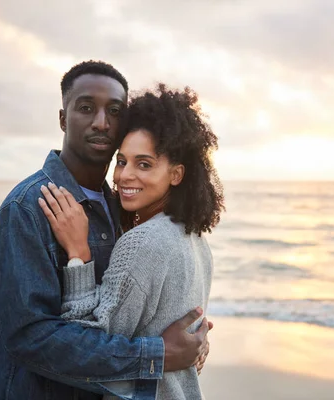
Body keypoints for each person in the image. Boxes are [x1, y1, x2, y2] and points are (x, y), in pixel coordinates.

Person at [0, 61, 211, 400]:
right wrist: (159, 356)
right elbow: (30, 337)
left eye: (115, 111)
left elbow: (135, 317)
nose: (102, 122)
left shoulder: (121, 208)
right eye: (86, 108)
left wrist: (191, 343)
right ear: (63, 118)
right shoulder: (29, 207)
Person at [38, 83, 224, 399]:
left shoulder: (142, 244)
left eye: (144, 164)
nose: (124, 176)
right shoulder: (195, 239)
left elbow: (89, 345)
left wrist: (79, 254)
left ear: (176, 174)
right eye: (122, 161)